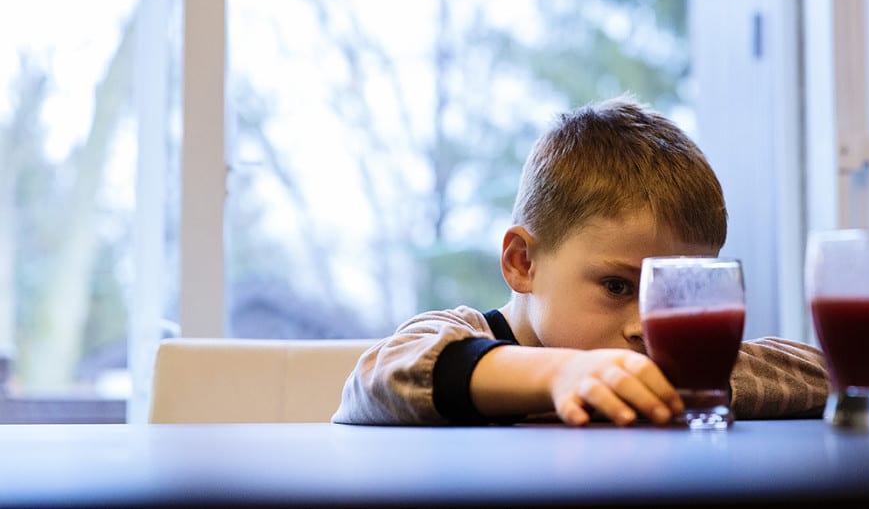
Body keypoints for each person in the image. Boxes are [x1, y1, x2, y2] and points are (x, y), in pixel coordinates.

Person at [334, 95, 828, 426]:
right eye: (617, 286)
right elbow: (380, 375)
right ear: (523, 262)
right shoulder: (469, 337)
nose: (646, 326)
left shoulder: (670, 367)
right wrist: (560, 374)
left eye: (674, 291)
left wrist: (695, 377)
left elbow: (825, 373)